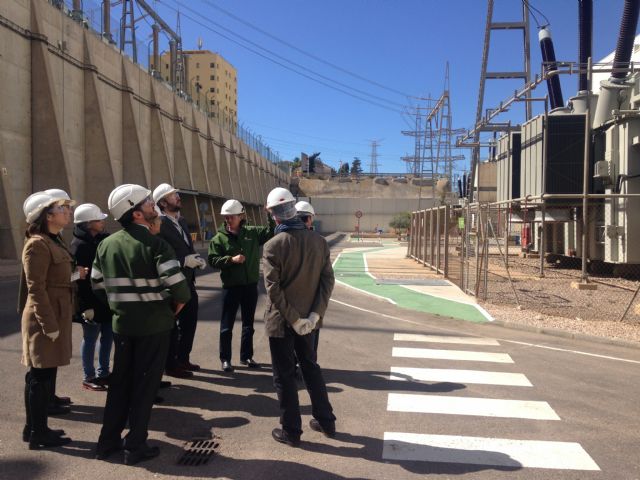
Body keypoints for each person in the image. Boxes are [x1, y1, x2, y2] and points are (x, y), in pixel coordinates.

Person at [92, 184, 191, 465]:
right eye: (148, 203)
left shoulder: (106, 244)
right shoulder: (157, 245)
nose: (154, 206)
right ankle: (135, 446)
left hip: (123, 326)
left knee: (120, 384)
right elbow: (180, 291)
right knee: (145, 387)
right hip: (154, 327)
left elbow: (97, 285)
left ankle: (106, 442)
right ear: (136, 213)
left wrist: (121, 305)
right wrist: (170, 306)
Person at [262, 187, 336, 447]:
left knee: (283, 376)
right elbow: (327, 280)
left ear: (274, 216)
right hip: (310, 322)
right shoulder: (318, 241)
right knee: (311, 367)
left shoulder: (273, 245)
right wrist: (315, 314)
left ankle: (291, 431)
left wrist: (293, 319)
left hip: (282, 322)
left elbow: (273, 289)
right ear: (294, 209)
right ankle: (326, 421)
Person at [20, 190, 84, 449]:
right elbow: (36, 288)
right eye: (63, 208)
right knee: (39, 377)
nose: (68, 212)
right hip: (44, 319)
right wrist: (48, 324)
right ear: (47, 215)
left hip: (55, 315)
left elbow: (55, 280)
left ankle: (34, 428)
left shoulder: (54, 241)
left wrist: (76, 276)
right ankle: (38, 433)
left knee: (44, 375)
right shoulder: (37, 244)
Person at [208, 199, 273, 372]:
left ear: (241, 216)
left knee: (248, 325)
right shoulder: (219, 238)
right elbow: (212, 260)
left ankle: (246, 356)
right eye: (226, 217)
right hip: (231, 287)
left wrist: (269, 214)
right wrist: (230, 260)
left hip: (250, 286)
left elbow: (271, 231)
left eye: (232, 217)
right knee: (226, 325)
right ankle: (225, 359)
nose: (228, 220)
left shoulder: (251, 233)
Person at [153, 183, 206, 379]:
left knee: (189, 323)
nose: (177, 196)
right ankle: (171, 364)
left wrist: (195, 259)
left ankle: (183, 359)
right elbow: (159, 257)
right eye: (172, 194)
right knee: (171, 328)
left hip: (188, 281)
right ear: (163, 202)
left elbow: (187, 247)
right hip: (172, 284)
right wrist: (184, 261)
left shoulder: (181, 221)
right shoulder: (159, 224)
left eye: (176, 193)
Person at [70, 203, 112, 392]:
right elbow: (79, 280)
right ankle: (89, 376)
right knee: (90, 339)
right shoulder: (79, 246)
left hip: (106, 299)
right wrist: (86, 307)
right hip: (91, 302)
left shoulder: (102, 239)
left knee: (108, 337)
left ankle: (104, 373)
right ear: (88, 224)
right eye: (98, 219)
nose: (103, 221)